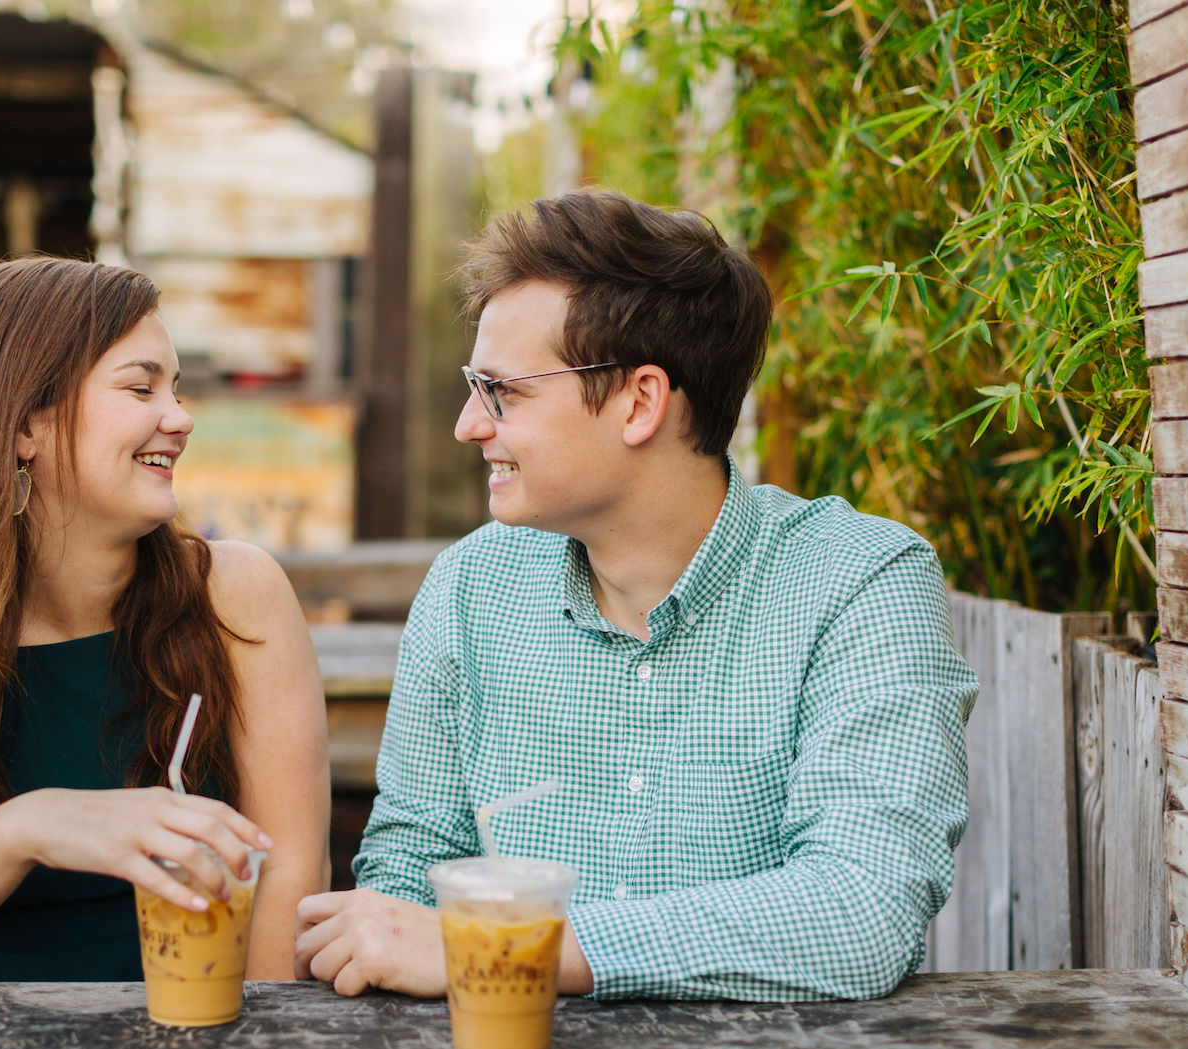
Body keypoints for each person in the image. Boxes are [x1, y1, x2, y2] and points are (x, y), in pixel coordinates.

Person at [294, 191, 977, 1003]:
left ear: (640, 401)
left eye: (503, 392)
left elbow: (861, 910)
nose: (468, 426)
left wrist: (511, 947)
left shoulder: (860, 582)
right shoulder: (470, 590)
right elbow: (407, 878)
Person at [0, 256, 330, 988]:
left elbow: (290, 874)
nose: (179, 418)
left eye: (175, 389)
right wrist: (34, 827)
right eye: (140, 386)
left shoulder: (235, 595)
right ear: (26, 422)